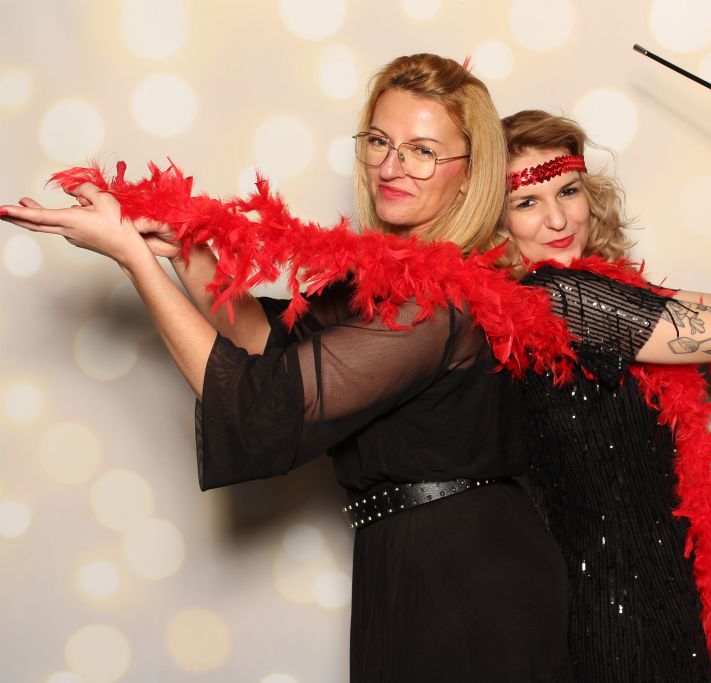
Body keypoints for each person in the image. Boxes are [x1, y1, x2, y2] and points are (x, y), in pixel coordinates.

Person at [1, 54, 570, 682]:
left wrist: (134, 261)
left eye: (422, 152)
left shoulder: (437, 301)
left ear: (470, 176)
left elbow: (258, 407)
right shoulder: (387, 281)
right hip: (409, 565)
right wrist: (184, 248)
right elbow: (267, 344)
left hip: (470, 580)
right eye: (379, 142)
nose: (391, 167)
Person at [494, 55, 711, 682]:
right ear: (496, 221)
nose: (557, 219)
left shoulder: (599, 297)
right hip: (614, 616)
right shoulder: (554, 300)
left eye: (567, 191)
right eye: (526, 202)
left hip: (660, 595)